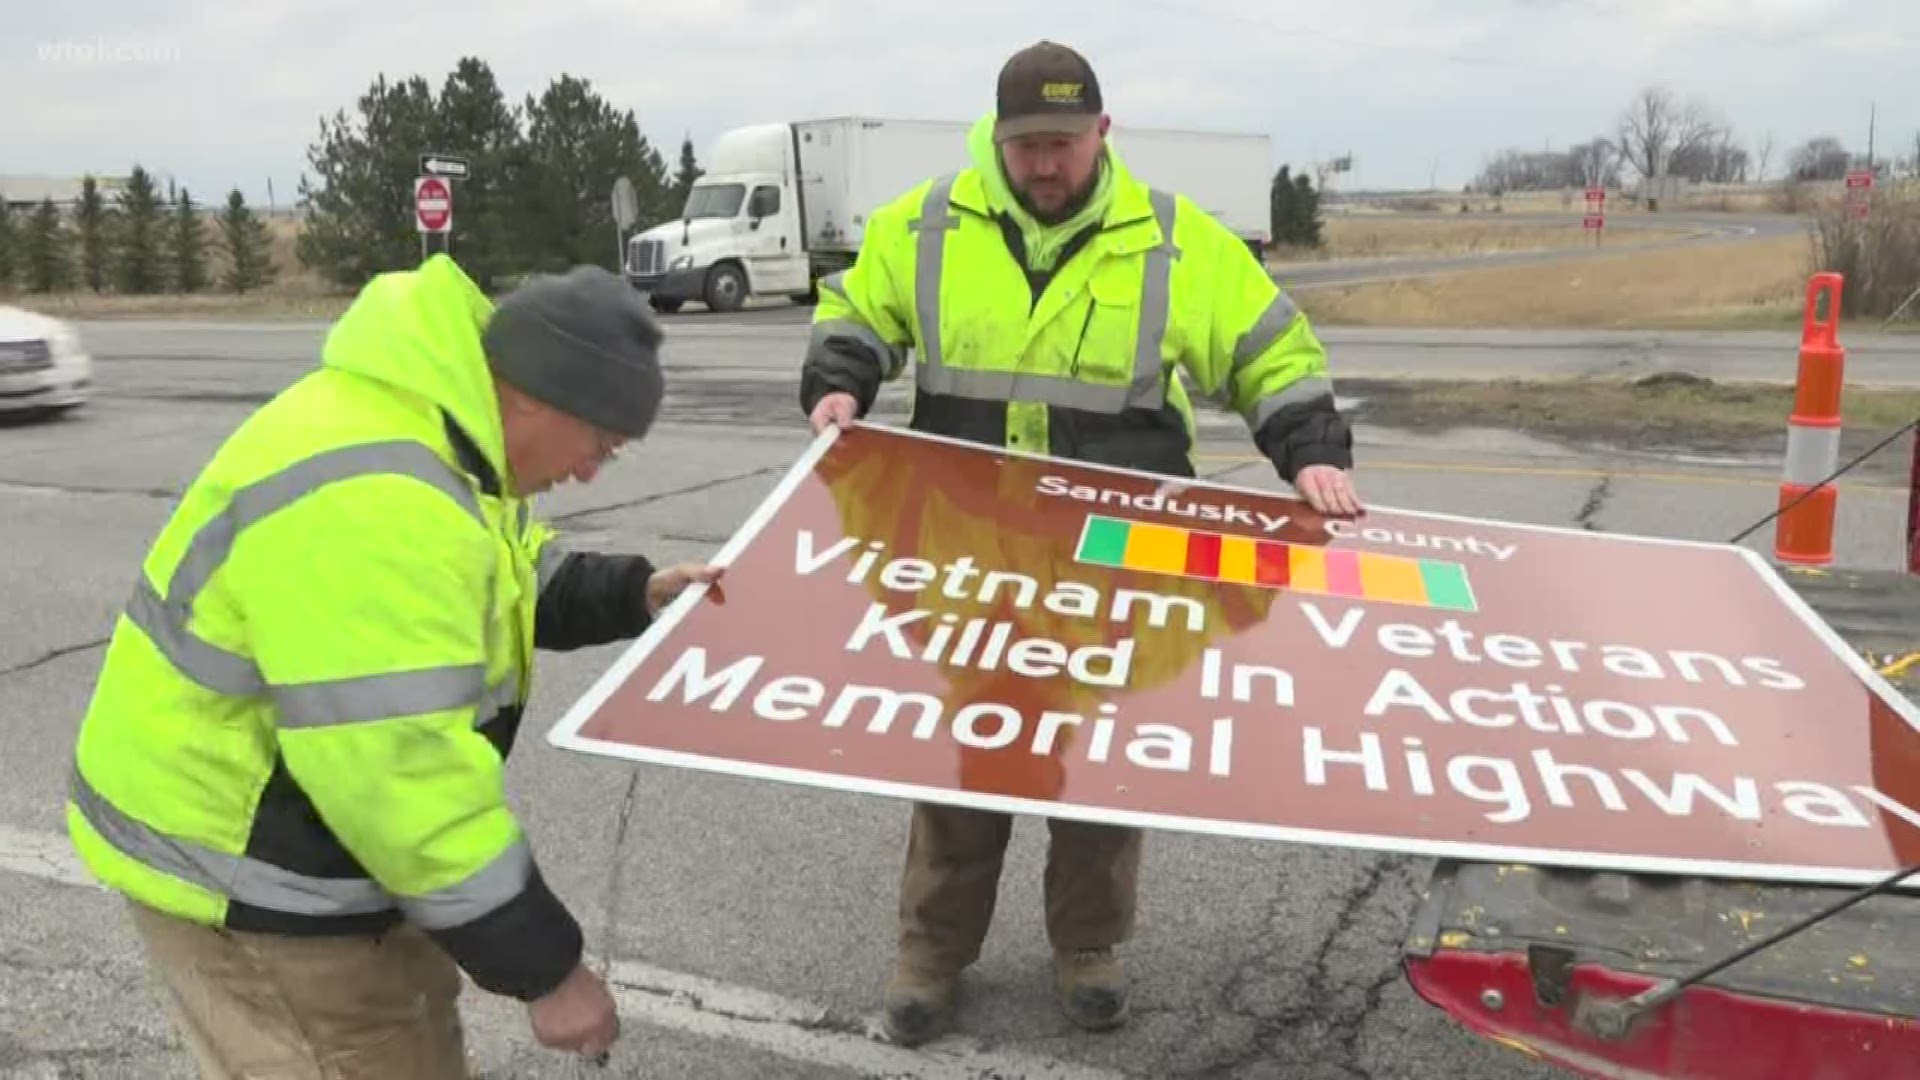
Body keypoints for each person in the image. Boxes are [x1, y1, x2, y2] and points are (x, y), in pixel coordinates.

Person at [798, 40, 1364, 1045]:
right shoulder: (928, 226)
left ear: (1104, 133)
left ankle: (1088, 950)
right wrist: (841, 378)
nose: (1045, 166)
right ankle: (931, 957)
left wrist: (1310, 451)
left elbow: (1272, 351)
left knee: (1101, 771)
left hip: (1119, 573)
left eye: (1063, 144)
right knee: (967, 769)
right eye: (1026, 148)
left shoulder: (1173, 241)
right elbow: (856, 308)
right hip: (970, 568)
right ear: (998, 140)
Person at [65, 253, 721, 1079]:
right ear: (533, 396)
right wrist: (549, 973)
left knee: (407, 1026)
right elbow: (400, 776)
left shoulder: (439, 427)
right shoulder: (381, 498)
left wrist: (636, 594)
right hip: (250, 866)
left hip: (313, 842)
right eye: (601, 443)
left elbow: (495, 580)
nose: (591, 471)